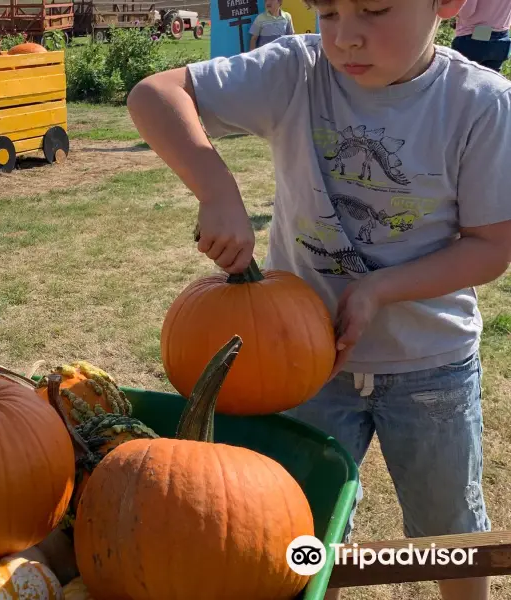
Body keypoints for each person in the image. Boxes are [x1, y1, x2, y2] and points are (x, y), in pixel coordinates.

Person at [127, 0, 511, 598]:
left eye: (374, 10)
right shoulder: (296, 72)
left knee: (450, 533)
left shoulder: (479, 103)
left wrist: (380, 289)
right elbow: (154, 94)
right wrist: (216, 188)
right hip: (303, 368)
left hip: (430, 364)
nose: (345, 38)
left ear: (448, 5)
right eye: (327, 12)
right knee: (301, 527)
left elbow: (491, 248)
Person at [451, 0, 511, 72]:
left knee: (458, 79)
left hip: (474, 36)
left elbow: (466, 12)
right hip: (502, 39)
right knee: (487, 80)